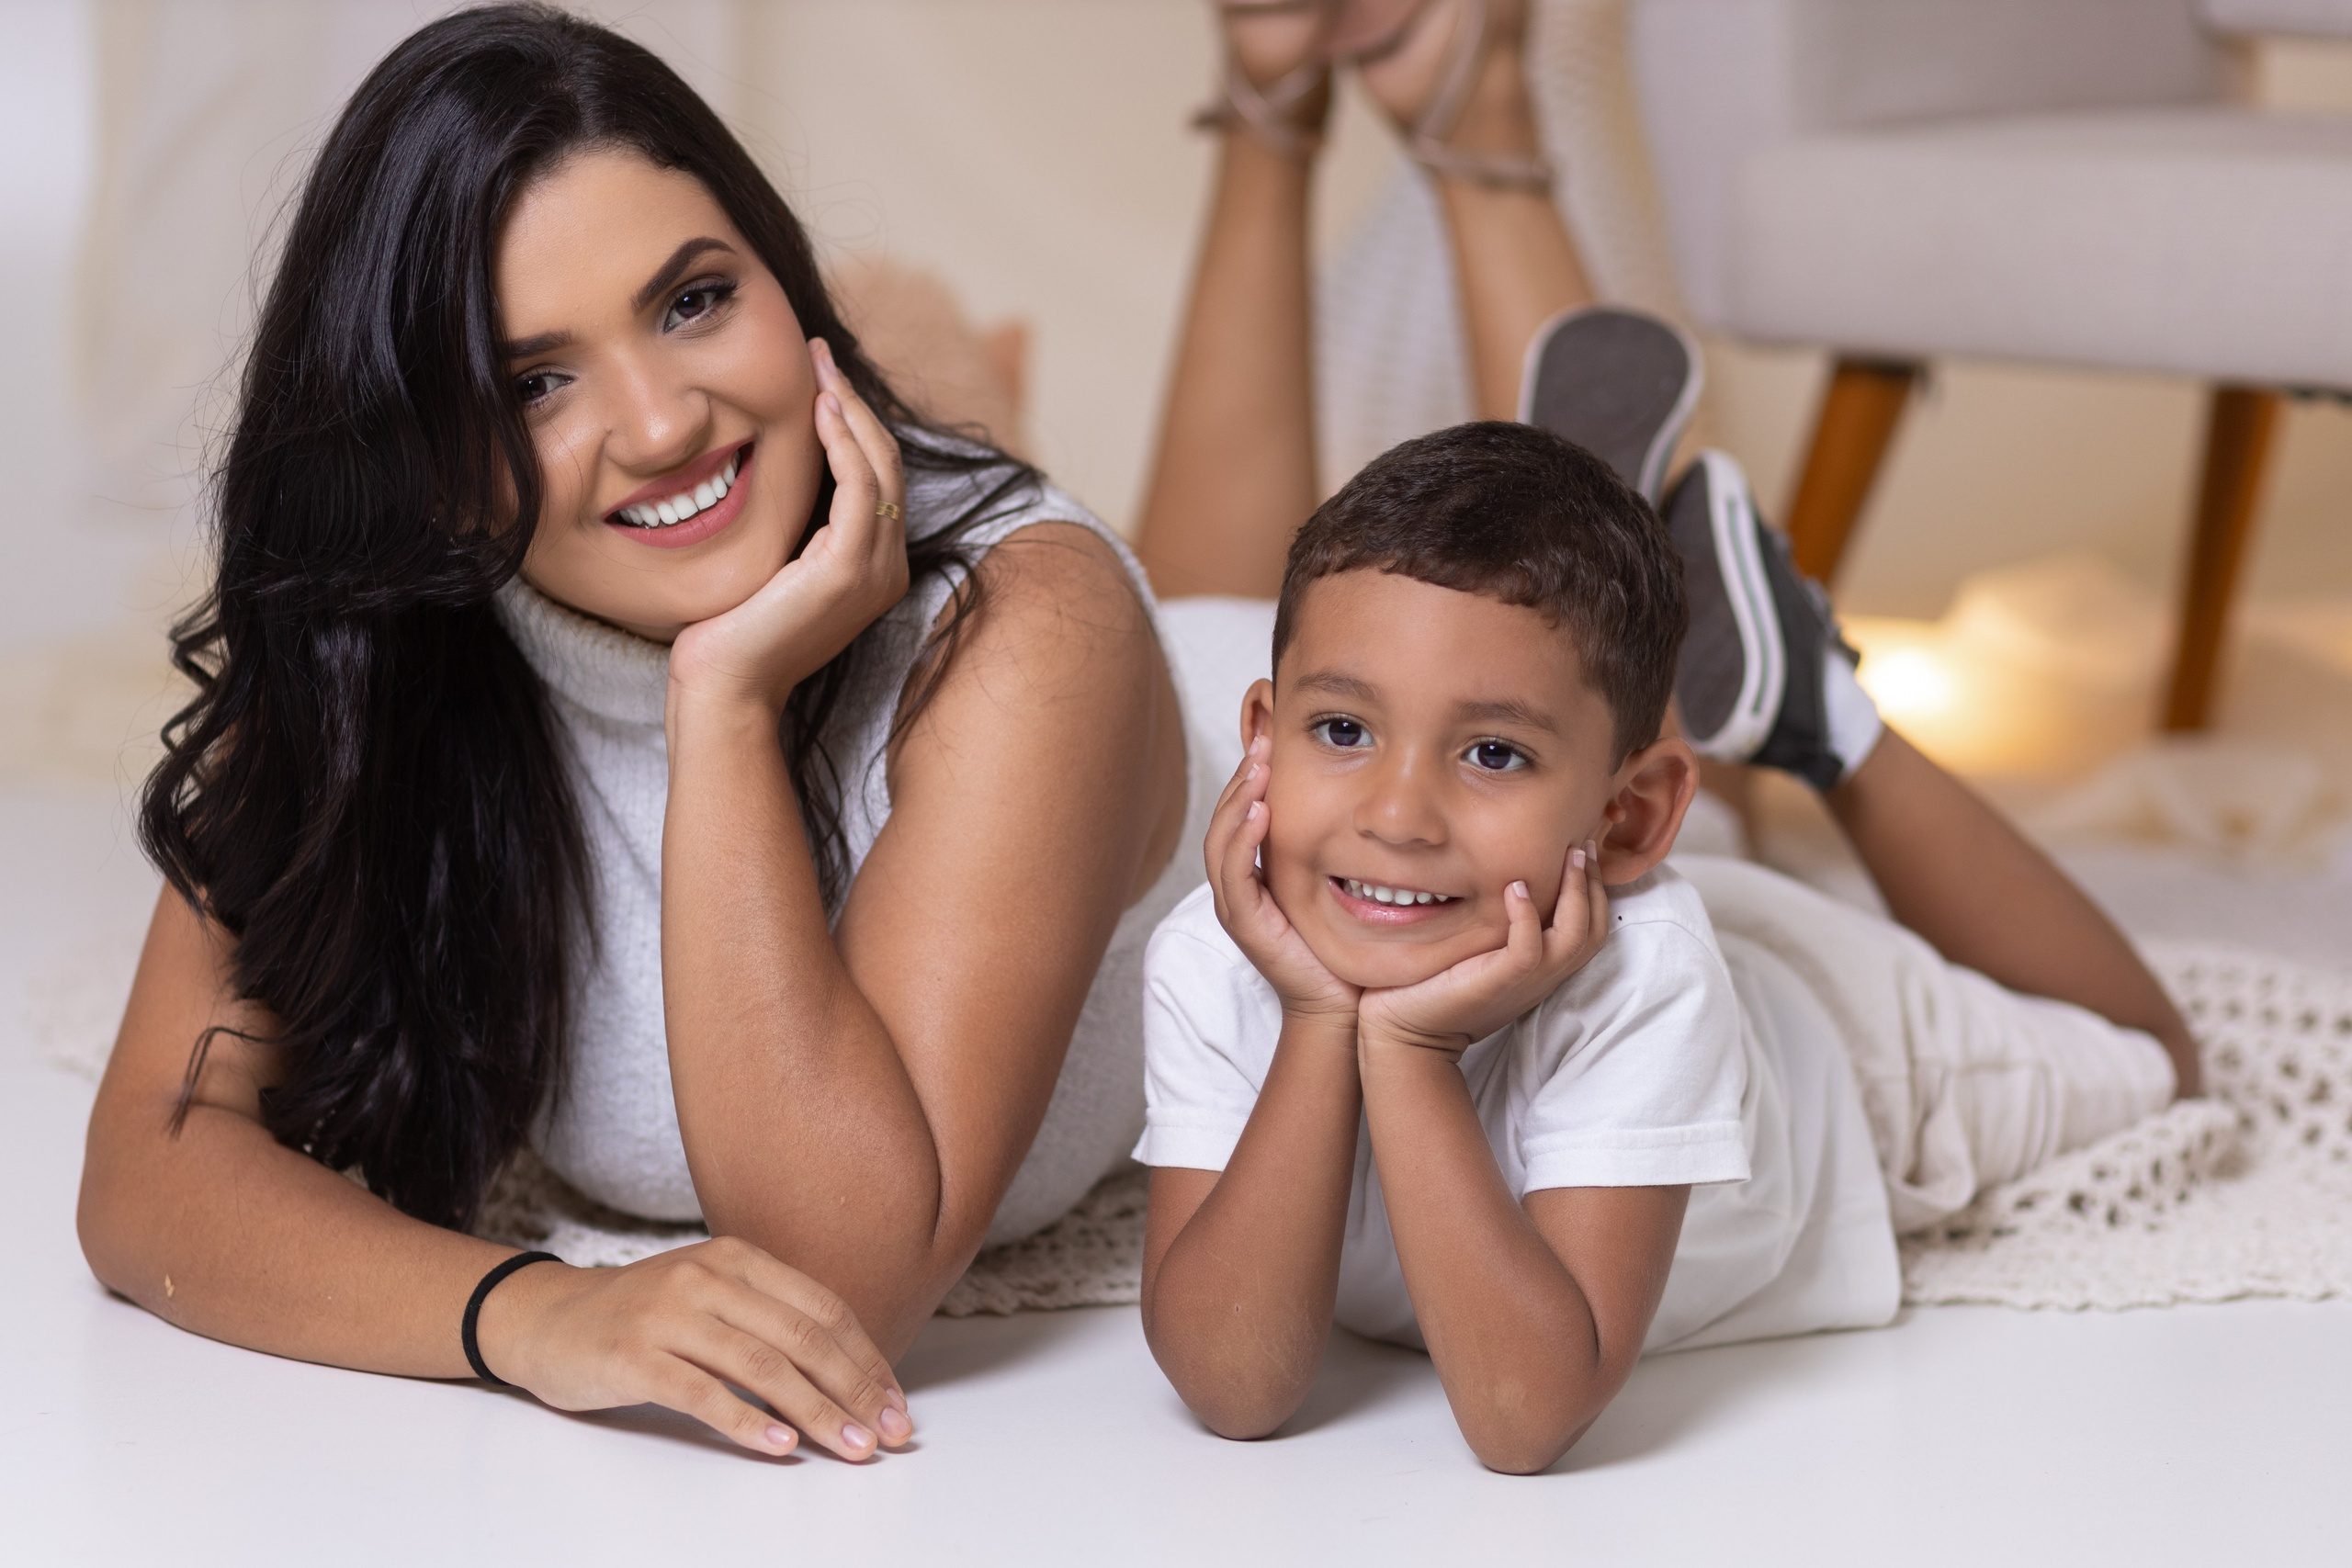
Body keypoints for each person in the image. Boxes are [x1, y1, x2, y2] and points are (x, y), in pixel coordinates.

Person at [78, 4, 1208, 1463]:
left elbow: (846, 1276)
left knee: (1288, 606)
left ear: (784, 282)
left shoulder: (1029, 630)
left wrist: (726, 705)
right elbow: (147, 1168)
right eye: (533, 382)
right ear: (426, 458)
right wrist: (530, 1314)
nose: (662, 422)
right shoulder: (389, 632)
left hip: (1223, 729)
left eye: (692, 300)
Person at [1127, 0, 2199, 1475]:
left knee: (2160, 1065)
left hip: (1838, 1047)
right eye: (1338, 731)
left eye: (1488, 753)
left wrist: (1415, 1052)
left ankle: (1823, 715)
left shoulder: (1650, 982)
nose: (1396, 814)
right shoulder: (1219, 956)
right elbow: (1236, 1388)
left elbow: (1522, 1419)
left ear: (1633, 826)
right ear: (1260, 740)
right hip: (1554, 880)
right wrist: (1326, 1021)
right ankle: (1641, 632)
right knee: (1528, 667)